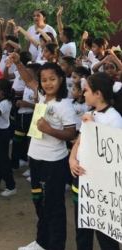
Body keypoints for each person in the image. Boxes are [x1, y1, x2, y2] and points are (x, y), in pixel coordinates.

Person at [10, 53, 76, 250]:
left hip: (53, 162)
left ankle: (56, 245)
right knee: (38, 201)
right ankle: (42, 242)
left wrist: (50, 130)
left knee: (53, 206)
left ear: (61, 79)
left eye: (52, 79)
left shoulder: (64, 105)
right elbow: (28, 79)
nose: (47, 84)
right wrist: (18, 62)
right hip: (36, 159)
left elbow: (71, 132)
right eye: (44, 80)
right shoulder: (40, 96)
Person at [69, 73, 122, 250]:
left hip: (101, 189)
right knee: (82, 230)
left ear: (98, 94)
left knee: (105, 235)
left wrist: (93, 125)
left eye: (87, 91)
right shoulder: (89, 114)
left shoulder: (114, 118)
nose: (84, 94)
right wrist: (71, 159)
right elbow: (79, 141)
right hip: (81, 182)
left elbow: (110, 153)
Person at [0, 78, 16, 197]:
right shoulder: (0, 101)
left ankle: (11, 185)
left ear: (1, 91)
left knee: (3, 159)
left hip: (2, 133)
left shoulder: (5, 103)